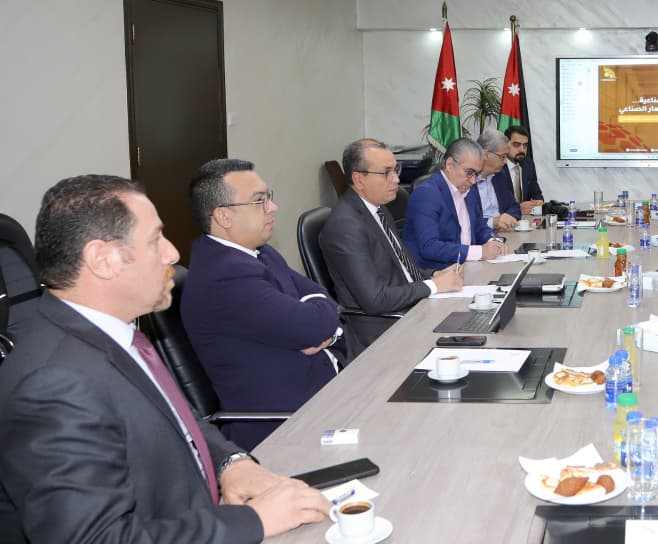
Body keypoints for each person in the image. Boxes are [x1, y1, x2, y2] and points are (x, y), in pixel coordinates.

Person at [0, 175, 329, 542]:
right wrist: (253, 521)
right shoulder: (53, 382)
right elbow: (96, 538)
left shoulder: (111, 333)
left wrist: (231, 463)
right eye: (156, 239)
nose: (172, 253)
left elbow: (178, 419)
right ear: (102, 260)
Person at [182, 159, 342, 449]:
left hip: (324, 394)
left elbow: (322, 299)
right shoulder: (225, 276)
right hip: (287, 427)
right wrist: (318, 321)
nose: (273, 207)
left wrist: (323, 327)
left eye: (269, 197)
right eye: (259, 201)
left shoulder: (260, 252)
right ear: (224, 216)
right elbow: (314, 324)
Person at [320, 138, 464, 355]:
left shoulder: (378, 209)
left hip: (410, 311)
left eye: (396, 169)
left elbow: (401, 269)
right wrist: (433, 286)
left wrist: (434, 275)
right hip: (383, 331)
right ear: (359, 179)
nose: (396, 179)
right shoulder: (345, 226)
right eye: (386, 173)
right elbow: (375, 300)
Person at [404, 137, 507, 271]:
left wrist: (493, 241)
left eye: (477, 174)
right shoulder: (427, 194)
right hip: (438, 273)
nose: (473, 181)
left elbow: (480, 228)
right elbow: (430, 247)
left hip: (470, 268)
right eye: (469, 173)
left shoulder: (469, 190)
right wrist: (480, 252)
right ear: (450, 164)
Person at [474, 129, 520, 232]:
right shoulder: (468, 180)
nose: (505, 162)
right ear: (486, 154)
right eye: (502, 157)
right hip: (478, 237)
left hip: (502, 233)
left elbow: (514, 207)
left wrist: (505, 219)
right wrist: (492, 222)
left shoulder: (499, 176)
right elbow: (466, 220)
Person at [503, 125, 545, 215]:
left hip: (525, 220)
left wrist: (539, 202)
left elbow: (536, 193)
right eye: (516, 145)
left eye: (525, 145)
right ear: (505, 145)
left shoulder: (528, 164)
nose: (522, 150)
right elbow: (495, 205)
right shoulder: (498, 166)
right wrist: (517, 209)